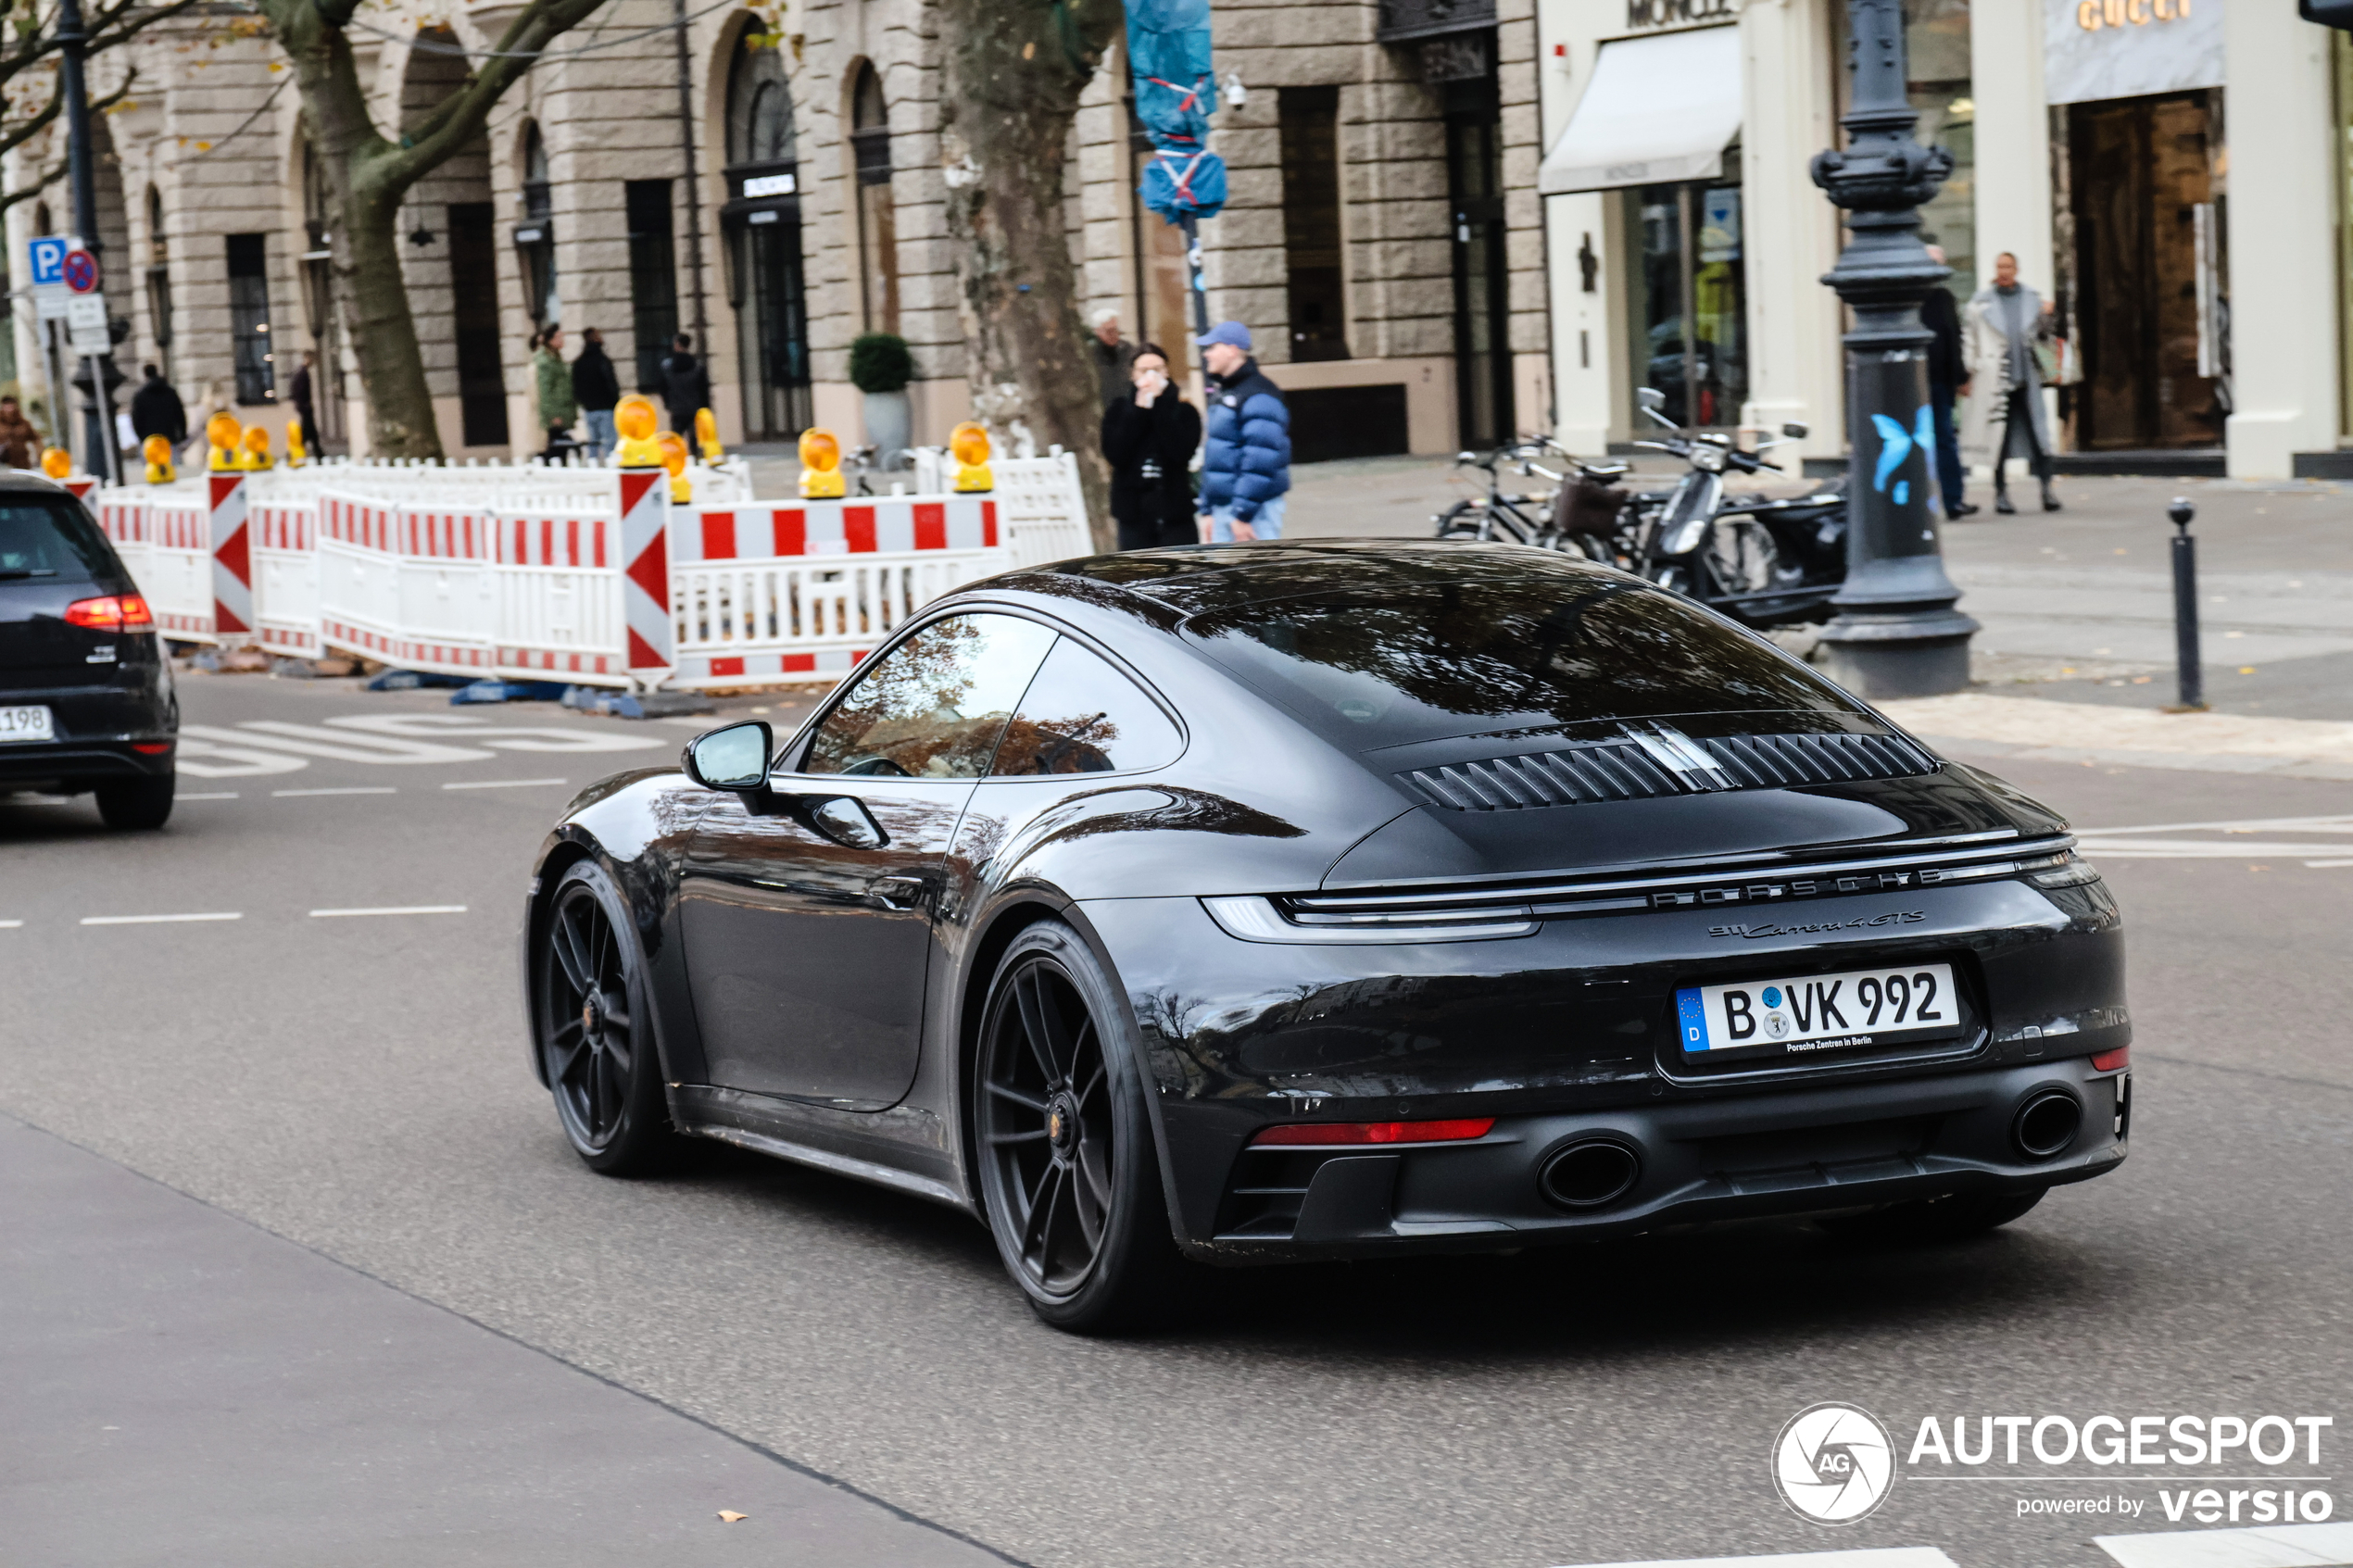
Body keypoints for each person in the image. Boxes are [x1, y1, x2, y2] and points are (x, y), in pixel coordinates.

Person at [1962, 251, 2061, 515]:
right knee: (1999, 440)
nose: (2004, 271)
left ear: (2016, 269)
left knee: (2040, 437)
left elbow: (2044, 336)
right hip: (1997, 381)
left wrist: (2047, 316)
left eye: (2008, 266)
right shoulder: (1980, 303)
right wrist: (1968, 373)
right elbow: (1970, 339)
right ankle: (2001, 494)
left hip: (2027, 380)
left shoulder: (2032, 298)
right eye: (1999, 266)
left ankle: (2047, 490)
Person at [1194, 320, 1290, 543]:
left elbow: (1261, 459)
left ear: (1232, 350)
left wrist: (1241, 514)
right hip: (1228, 509)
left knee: (1257, 573)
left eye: (1212, 347)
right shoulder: (1226, 392)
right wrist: (1208, 509)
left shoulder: (1258, 396)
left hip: (1252, 512)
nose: (1206, 354)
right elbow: (1216, 455)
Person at [1100, 343, 1202, 551]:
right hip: (1134, 513)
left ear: (1167, 371)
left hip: (1175, 513)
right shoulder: (1119, 410)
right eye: (1144, 371)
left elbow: (1181, 452)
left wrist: (1160, 409)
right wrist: (1138, 411)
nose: (1151, 376)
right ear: (1133, 375)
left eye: (1157, 369)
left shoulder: (1185, 411)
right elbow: (1116, 454)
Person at [1919, 247, 1973, 521]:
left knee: (1944, 439)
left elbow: (1954, 340)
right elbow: (1952, 339)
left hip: (1938, 380)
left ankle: (1953, 500)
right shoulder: (1923, 298)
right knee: (1938, 440)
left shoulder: (1942, 298)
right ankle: (1944, 500)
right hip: (1921, 381)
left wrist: (1960, 378)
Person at [571, 327, 621, 459]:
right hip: (606, 407)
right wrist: (615, 401)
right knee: (610, 444)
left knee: (593, 443)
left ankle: (593, 467)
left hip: (589, 409)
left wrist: (583, 402)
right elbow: (611, 384)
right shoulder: (602, 361)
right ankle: (611, 469)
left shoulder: (579, 363)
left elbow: (576, 386)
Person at [533, 325, 576, 458]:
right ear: (550, 340)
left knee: (560, 447)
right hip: (555, 413)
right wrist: (553, 415)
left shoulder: (557, 358)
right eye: (559, 337)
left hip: (563, 409)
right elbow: (545, 390)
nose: (562, 340)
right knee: (556, 448)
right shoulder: (546, 361)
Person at [128, 364, 188, 454]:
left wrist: (141, 438)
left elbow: (136, 419)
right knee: (171, 465)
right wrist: (182, 435)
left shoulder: (140, 395)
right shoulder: (170, 392)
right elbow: (180, 415)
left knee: (151, 466)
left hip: (149, 441)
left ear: (145, 374)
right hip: (169, 438)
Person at [659, 332, 711, 432]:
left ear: (677, 344)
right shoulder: (697, 367)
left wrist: (668, 404)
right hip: (695, 409)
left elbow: (663, 388)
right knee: (694, 441)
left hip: (677, 410)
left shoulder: (668, 368)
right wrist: (705, 408)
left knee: (676, 441)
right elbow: (704, 390)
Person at [1088, 307, 1138, 409]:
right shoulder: (1090, 353)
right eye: (1109, 331)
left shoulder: (1128, 349)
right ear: (1097, 331)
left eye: (1115, 330)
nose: (1114, 335)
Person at [286, 352, 316, 447]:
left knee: (309, 429)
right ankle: (303, 446)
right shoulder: (302, 373)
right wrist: (303, 404)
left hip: (304, 405)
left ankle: (316, 450)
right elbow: (299, 390)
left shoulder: (302, 372)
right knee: (308, 429)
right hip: (304, 406)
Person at [0, 395, 36, 468]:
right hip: (3, 466)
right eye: (7, 405)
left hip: (22, 463)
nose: (9, 408)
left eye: (11, 405)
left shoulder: (24, 423)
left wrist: (40, 456)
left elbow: (35, 439)